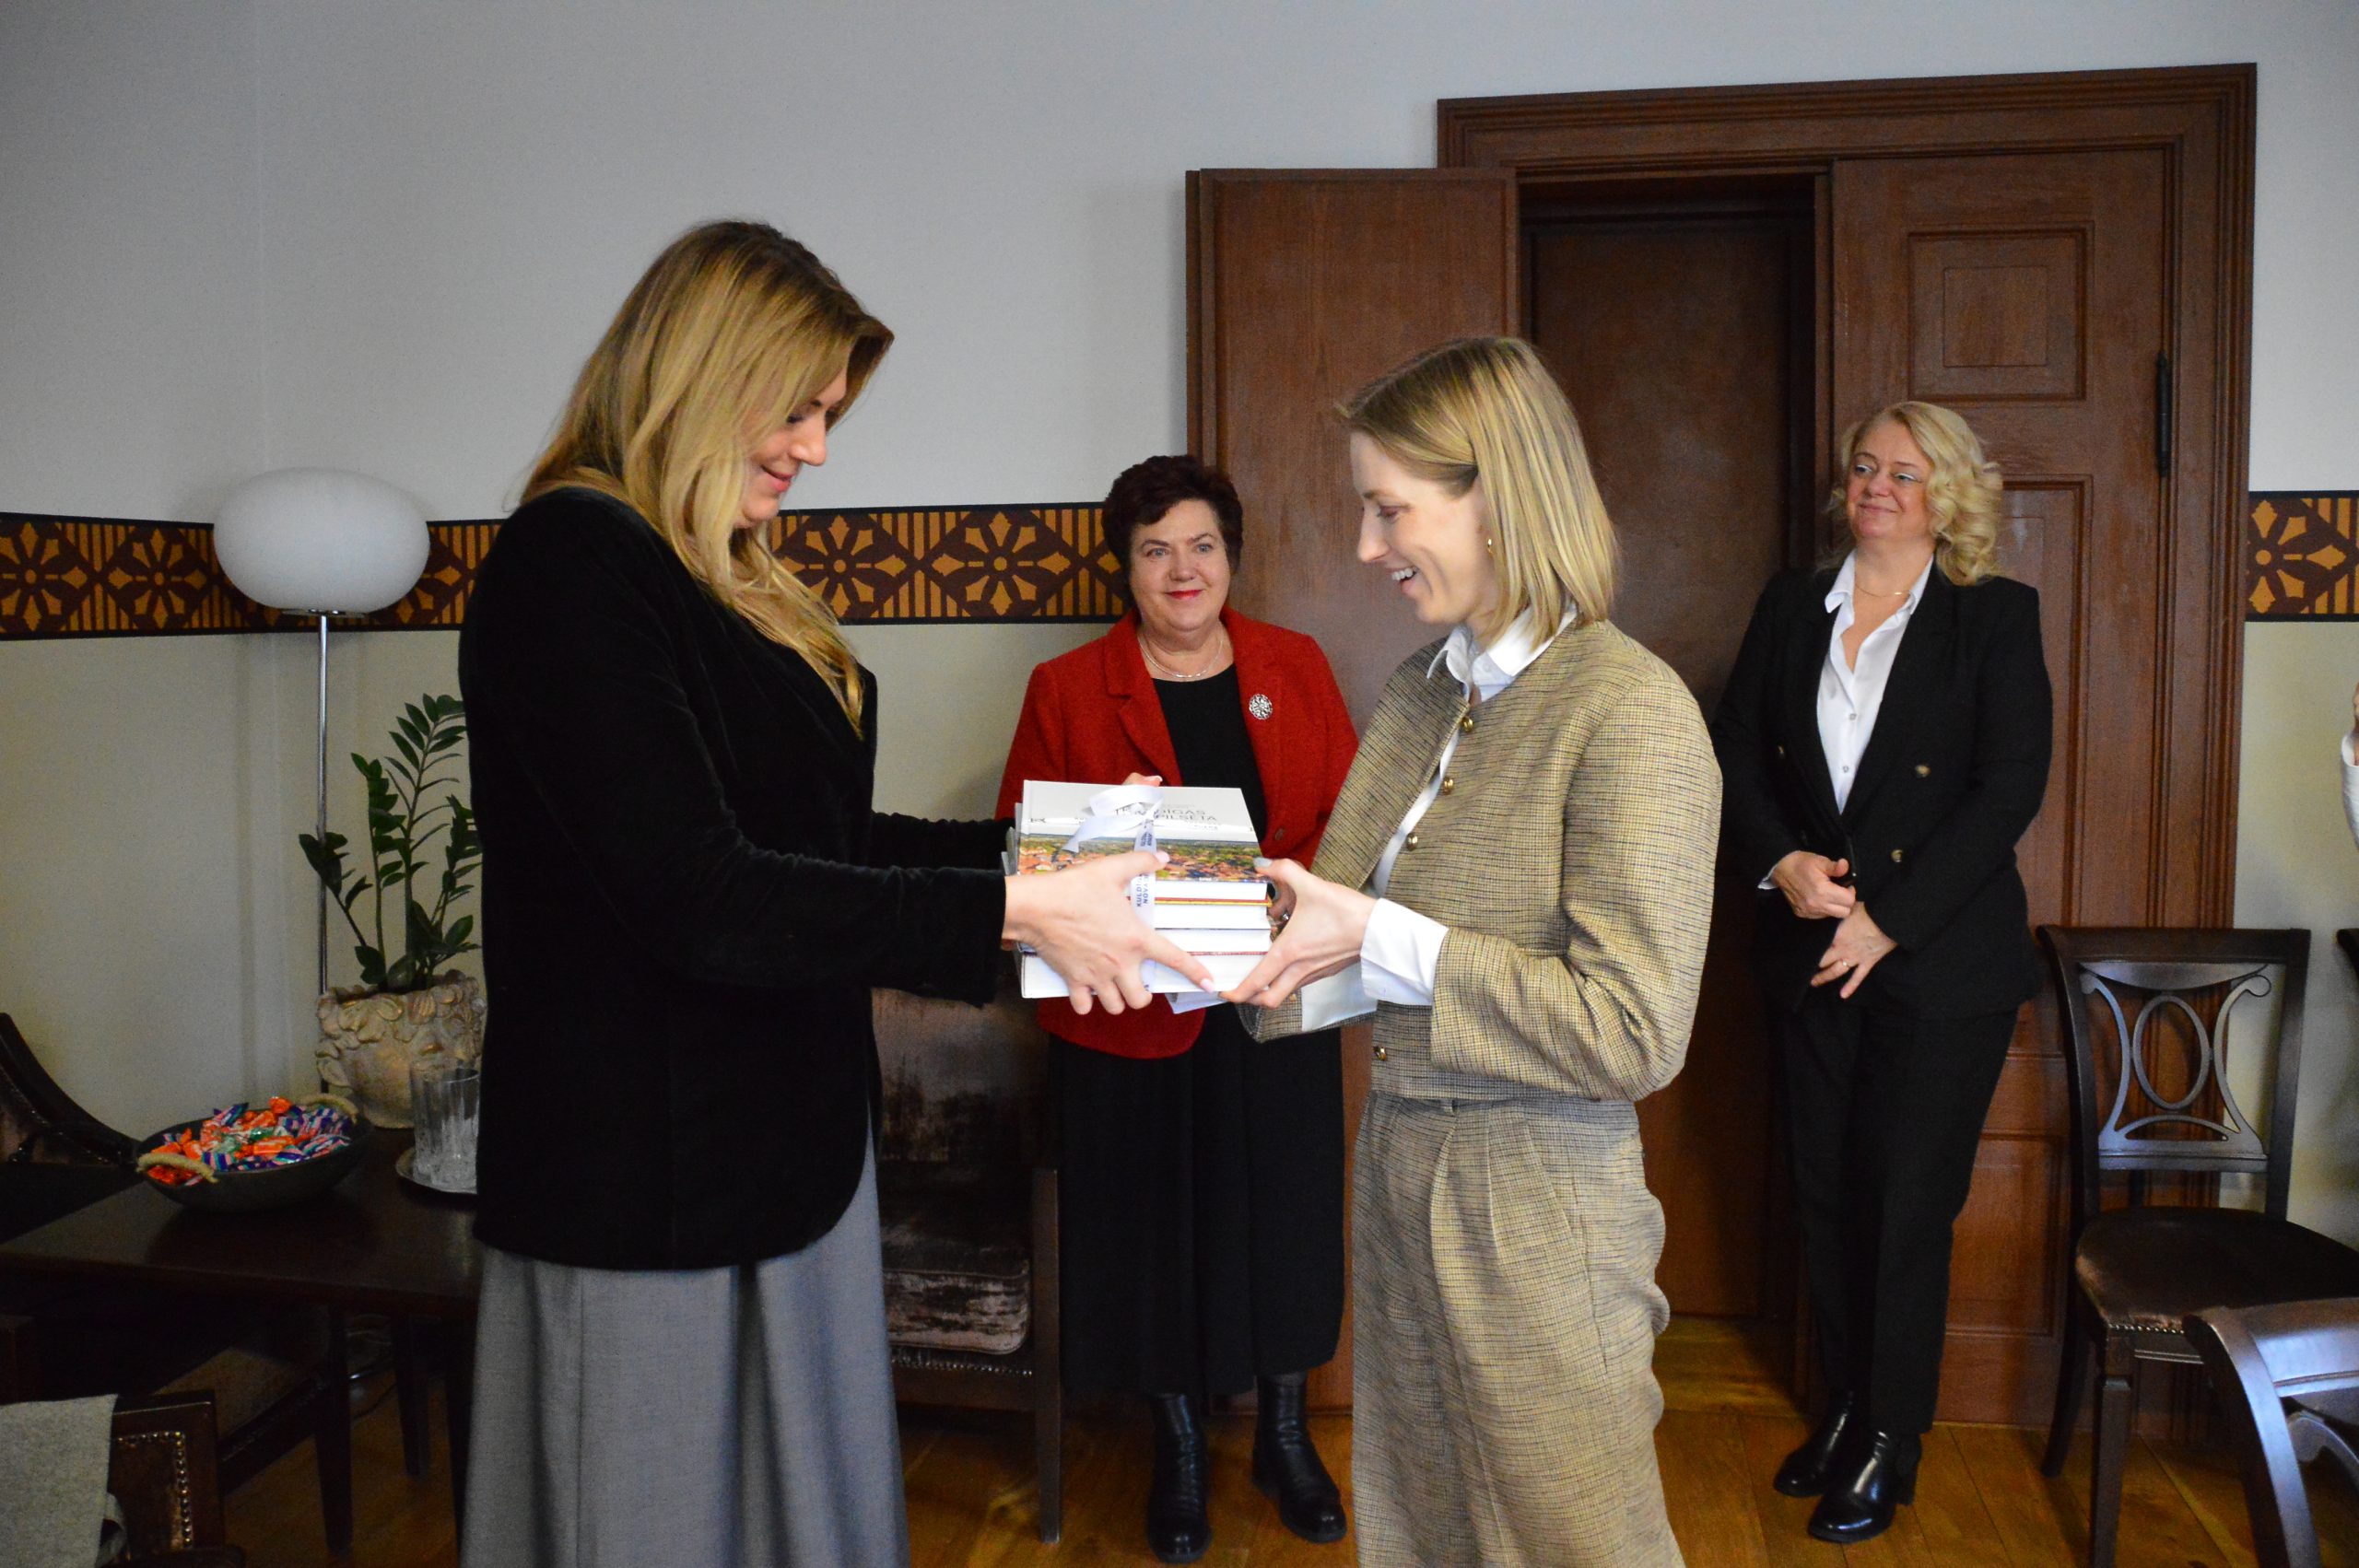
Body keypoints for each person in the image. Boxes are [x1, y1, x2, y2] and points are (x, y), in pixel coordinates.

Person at [455, 219, 1209, 1568]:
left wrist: (1047, 857)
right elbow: (701, 893)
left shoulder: (720, 571)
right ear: (705, 372)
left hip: (786, 1148)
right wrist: (1017, 914)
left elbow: (824, 837)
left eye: (828, 417)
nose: (813, 448)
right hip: (648, 1187)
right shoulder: (569, 566)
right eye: (797, 409)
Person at [1224, 337, 1719, 1567]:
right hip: (1402, 1166)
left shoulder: (1631, 710)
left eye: (1389, 508)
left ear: (1496, 494)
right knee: (1422, 1531)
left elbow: (1634, 1031)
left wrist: (1379, 935)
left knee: (1575, 1545)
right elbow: (1344, 933)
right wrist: (1192, 921)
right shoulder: (1421, 692)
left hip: (1540, 1206)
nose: (1365, 544)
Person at [995, 455, 1359, 1562]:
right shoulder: (1066, 687)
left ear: (1230, 556)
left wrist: (1295, 895)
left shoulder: (1295, 665)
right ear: (1125, 566)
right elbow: (1019, 851)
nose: (1181, 569)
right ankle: (1181, 1447)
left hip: (1270, 994)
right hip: (1131, 1010)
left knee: (1287, 1216)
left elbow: (1348, 819)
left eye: (1201, 545)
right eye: (1155, 549)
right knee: (1149, 1229)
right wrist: (1097, 832)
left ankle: (1285, 1436)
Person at [1710, 400, 2051, 1544]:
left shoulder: (1993, 616)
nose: (1877, 486)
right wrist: (1779, 862)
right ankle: (1848, 1408)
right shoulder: (1788, 605)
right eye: (1865, 466)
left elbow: (2006, 790)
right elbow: (1733, 751)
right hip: (1808, 948)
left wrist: (1886, 922)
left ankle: (1892, 1437)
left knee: (1903, 1204)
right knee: (1826, 1193)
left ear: (1947, 495)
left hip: (1941, 965)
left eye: (1905, 472)